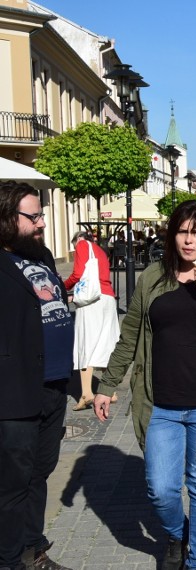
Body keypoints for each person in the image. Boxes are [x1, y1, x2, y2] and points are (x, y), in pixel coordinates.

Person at [94, 201, 196, 570]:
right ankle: (176, 531)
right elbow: (130, 335)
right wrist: (107, 385)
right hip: (160, 405)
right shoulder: (154, 275)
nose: (188, 240)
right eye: (182, 232)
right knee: (161, 489)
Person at [0, 181, 74, 570]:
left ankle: (33, 550)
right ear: (7, 218)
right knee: (12, 482)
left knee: (39, 473)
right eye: (34, 216)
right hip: (15, 390)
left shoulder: (41, 255)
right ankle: (9, 558)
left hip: (54, 383)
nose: (42, 222)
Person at [64, 231, 120, 411]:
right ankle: (110, 392)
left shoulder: (82, 245)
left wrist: (63, 286)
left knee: (85, 343)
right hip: (108, 298)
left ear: (78, 240)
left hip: (91, 302)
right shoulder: (101, 251)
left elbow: (78, 273)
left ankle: (86, 394)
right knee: (105, 344)